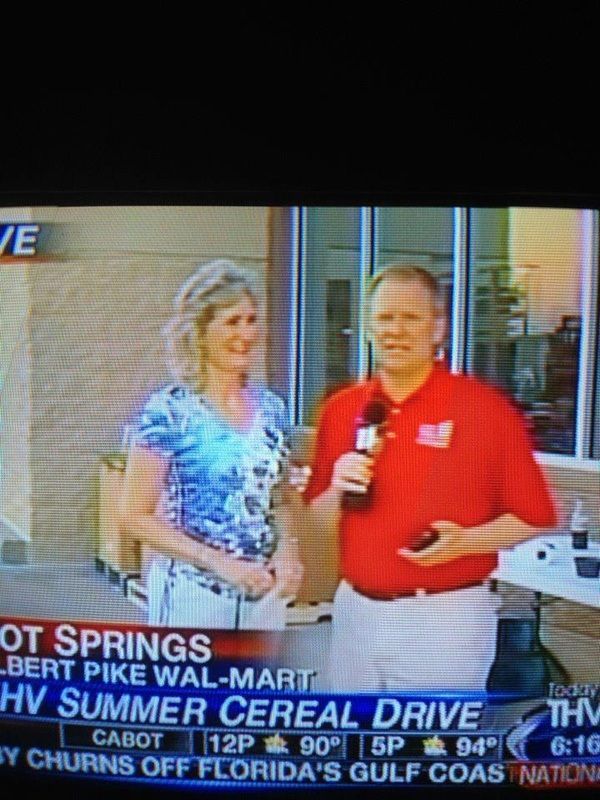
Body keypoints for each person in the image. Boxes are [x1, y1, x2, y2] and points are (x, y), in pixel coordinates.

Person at [304, 265, 557, 691]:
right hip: (355, 614)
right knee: (354, 748)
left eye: (411, 318)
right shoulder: (342, 409)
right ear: (368, 325)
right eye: (385, 318)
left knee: (433, 750)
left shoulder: (484, 409)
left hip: (444, 619)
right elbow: (318, 520)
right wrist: (335, 488)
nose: (395, 331)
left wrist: (465, 542)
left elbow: (534, 516)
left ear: (438, 327)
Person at [119, 260, 304, 629]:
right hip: (192, 599)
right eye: (232, 322)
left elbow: (278, 497)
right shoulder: (170, 412)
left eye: (252, 320)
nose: (246, 334)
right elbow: (133, 516)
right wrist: (218, 562)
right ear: (200, 333)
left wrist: (289, 551)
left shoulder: (271, 409)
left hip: (263, 597)